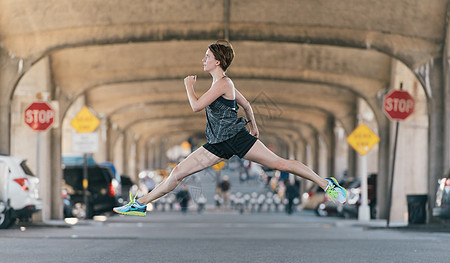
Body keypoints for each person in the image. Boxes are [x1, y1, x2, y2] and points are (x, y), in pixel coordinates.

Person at [113, 40, 347, 216]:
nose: (203, 60)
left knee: (279, 163)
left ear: (217, 61)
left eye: (206, 56)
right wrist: (254, 127)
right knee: (177, 173)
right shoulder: (223, 84)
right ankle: (141, 204)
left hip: (235, 138)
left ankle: (327, 184)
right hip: (217, 144)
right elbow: (246, 105)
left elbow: (195, 106)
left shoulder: (223, 83)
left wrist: (188, 86)